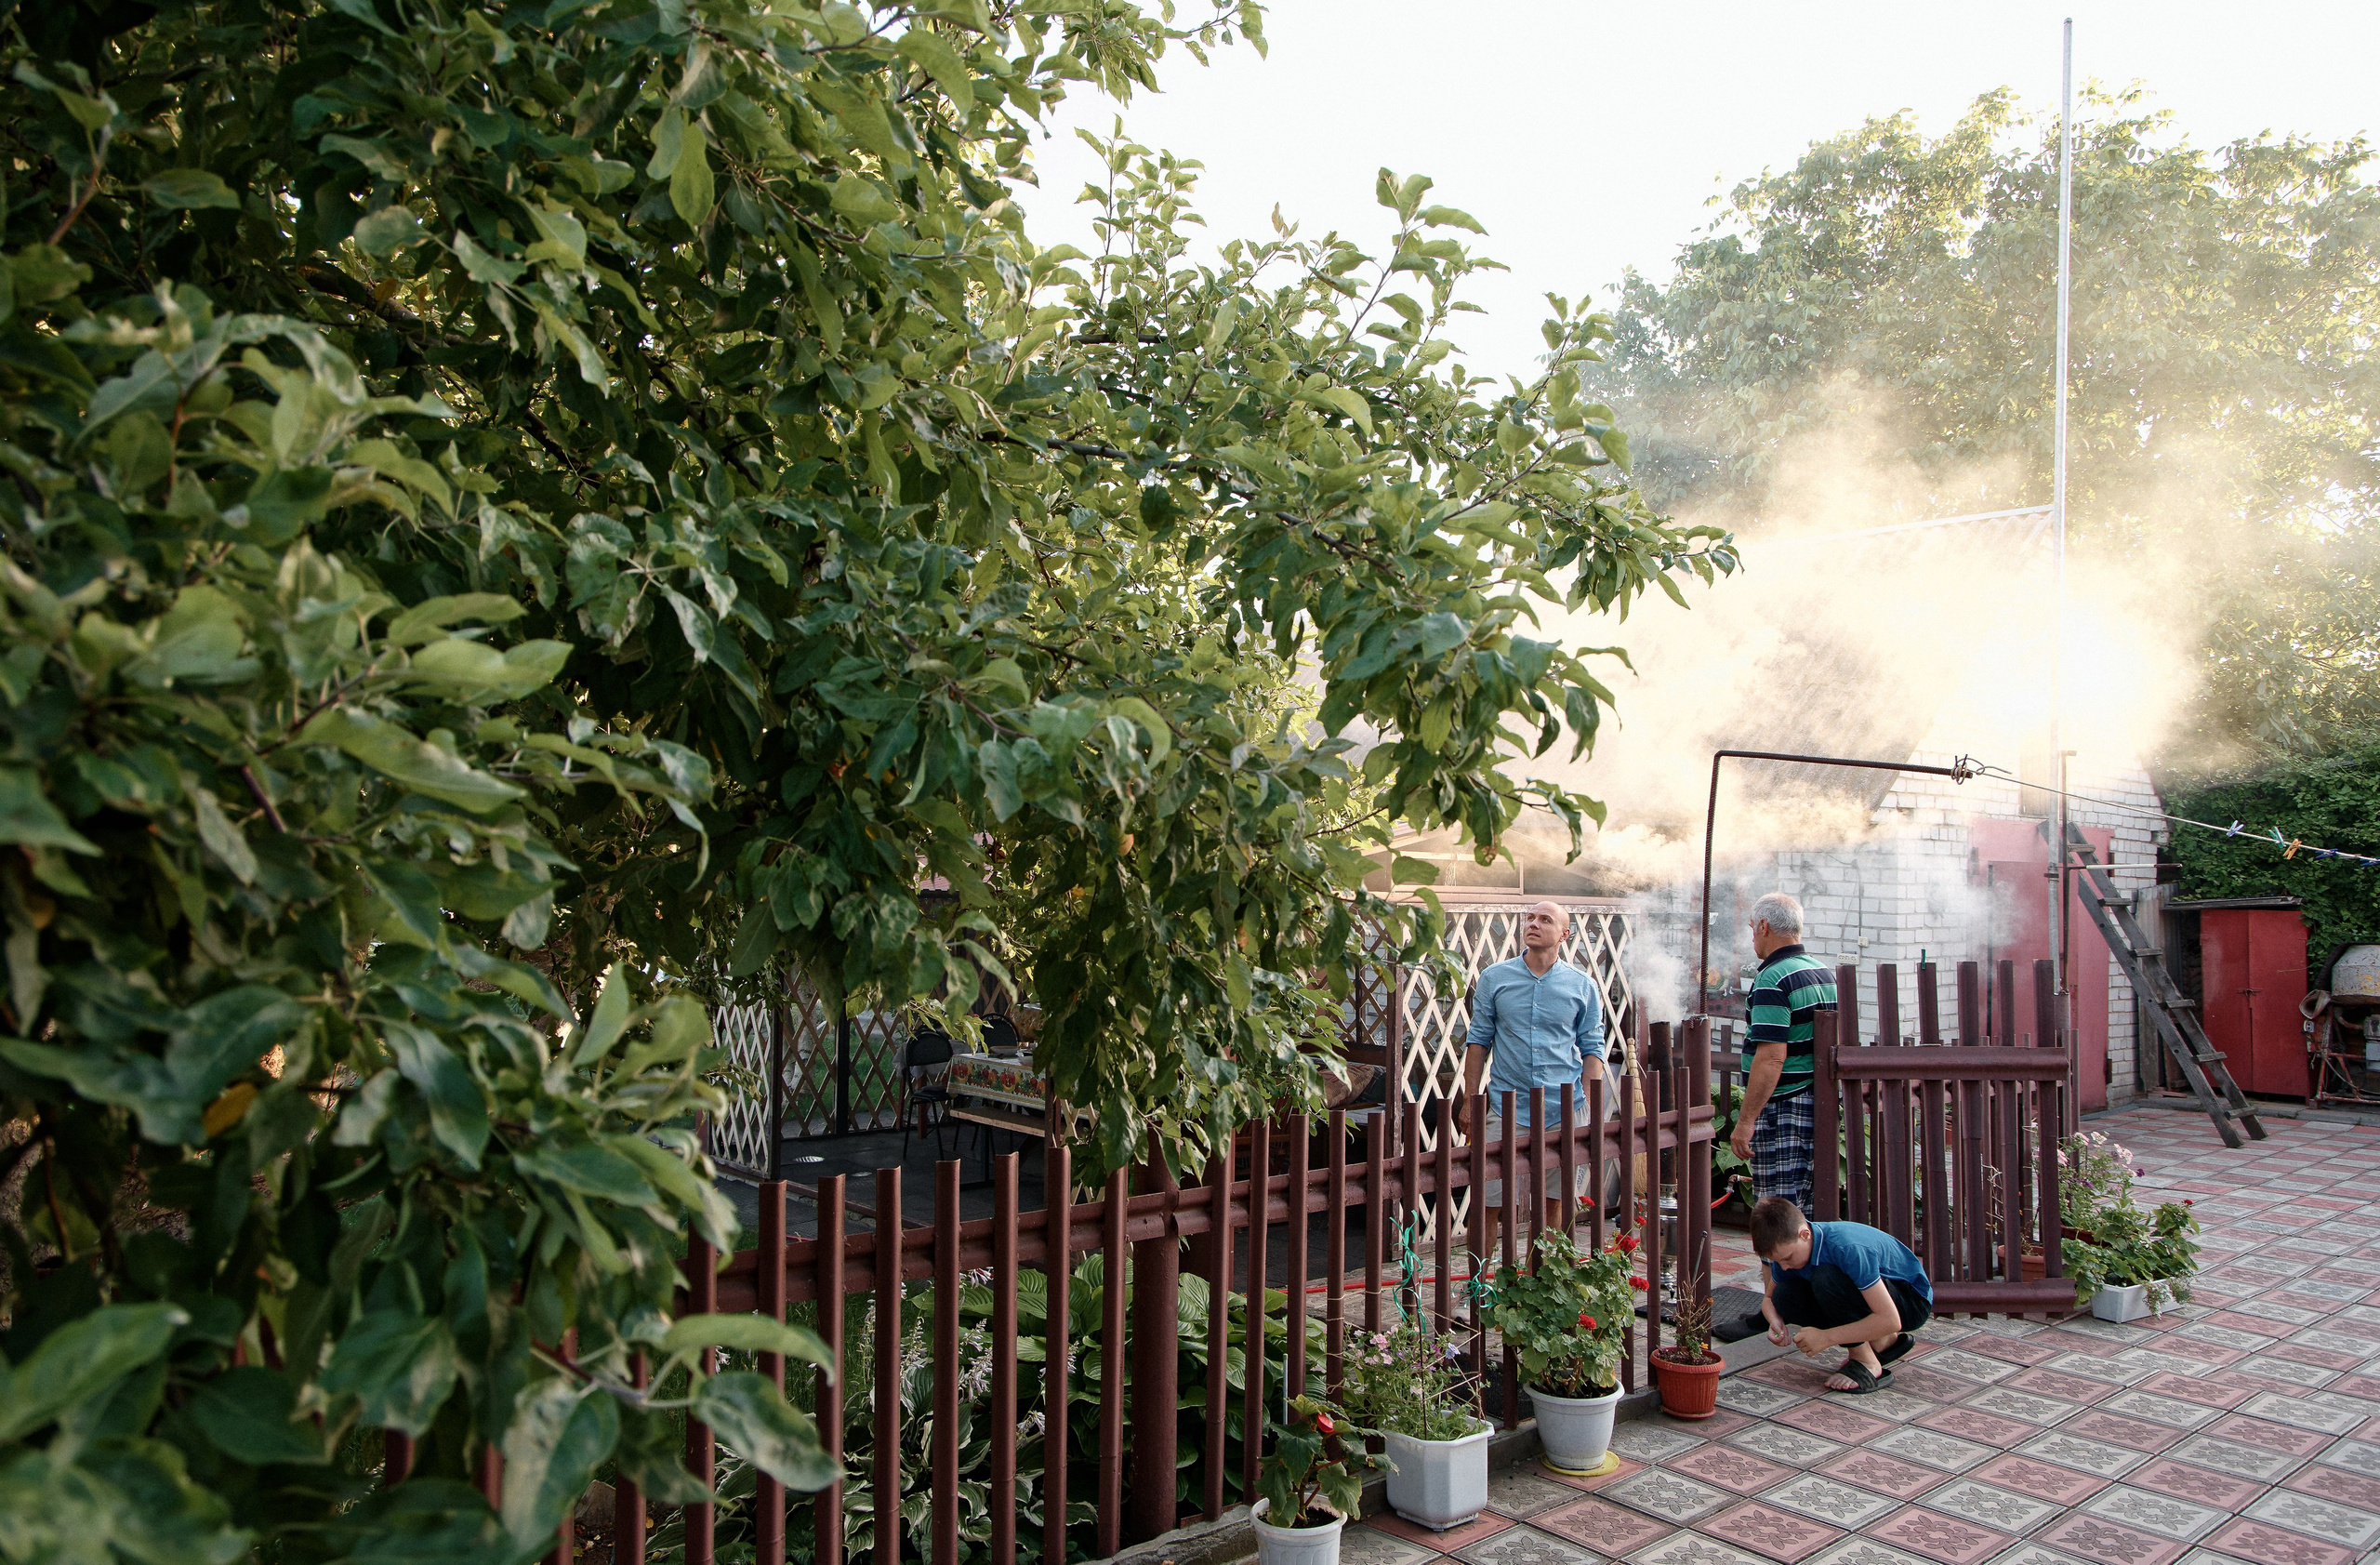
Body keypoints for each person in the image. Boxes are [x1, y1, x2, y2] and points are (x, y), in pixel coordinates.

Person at [1461, 899, 1609, 1260]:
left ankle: (1538, 1286)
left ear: (1564, 934)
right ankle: (1478, 1287)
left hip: (1565, 1108)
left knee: (1553, 1205)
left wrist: (1588, 1106)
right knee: (1487, 1203)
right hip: (1505, 1105)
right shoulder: (1495, 978)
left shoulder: (1582, 986)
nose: (1534, 924)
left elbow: (1593, 1048)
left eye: (1546, 919)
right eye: (1529, 917)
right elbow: (1478, 1041)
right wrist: (1469, 1101)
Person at [1751, 1195, 1931, 1394]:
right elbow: (1769, 1299)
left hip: (1911, 1301)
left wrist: (1827, 1337)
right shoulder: (1788, 1253)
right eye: (1777, 1261)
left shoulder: (1847, 1248)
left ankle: (1866, 1361)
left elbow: (1891, 1320)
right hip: (1876, 1302)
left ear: (1804, 1234)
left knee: (1826, 1278)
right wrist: (1774, 1322)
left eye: (1787, 1258)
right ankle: (1882, 1342)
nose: (1784, 1266)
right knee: (1784, 1295)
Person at [1728, 893, 1835, 1219]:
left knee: (1778, 1217)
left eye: (1752, 929)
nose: (1752, 938)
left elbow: (1772, 1058)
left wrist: (1745, 1123)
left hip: (1783, 1108)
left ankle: (1777, 1274)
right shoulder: (1822, 971)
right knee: (1807, 1214)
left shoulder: (1773, 978)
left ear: (1764, 926)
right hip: (1817, 1102)